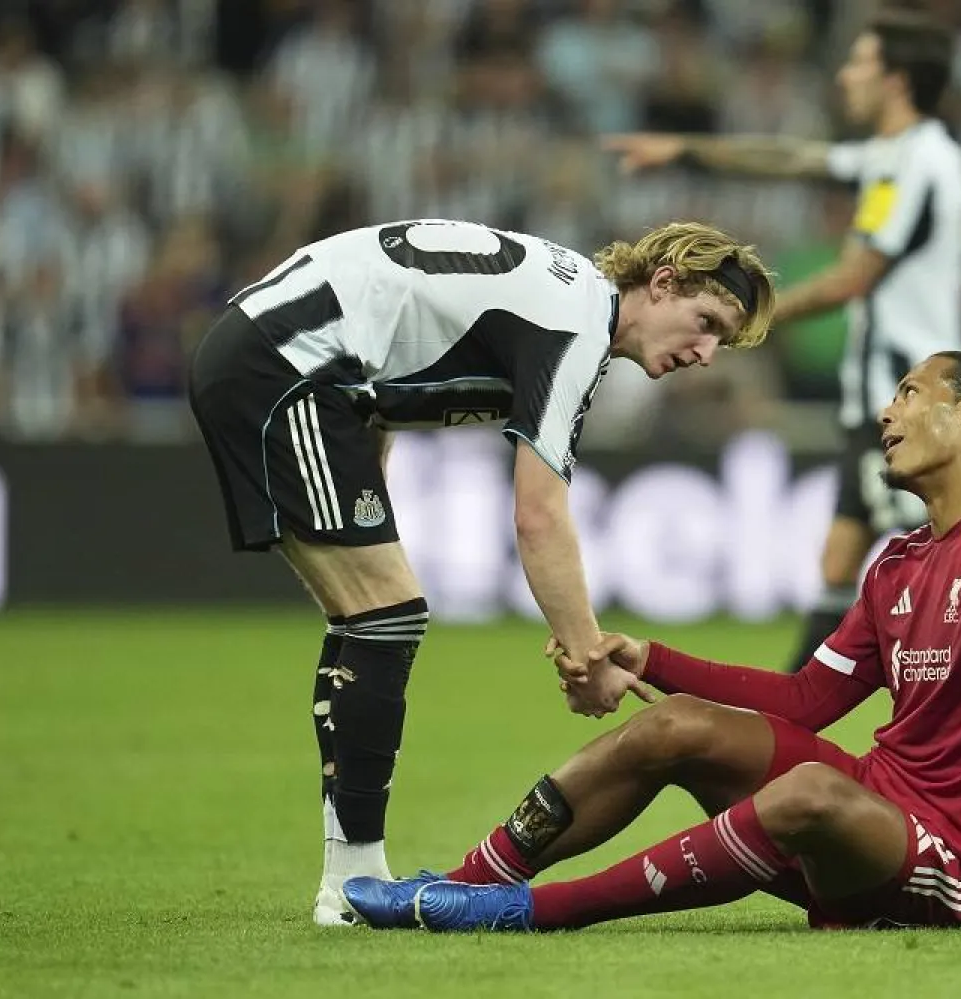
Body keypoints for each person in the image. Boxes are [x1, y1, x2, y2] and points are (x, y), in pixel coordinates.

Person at [339, 350, 961, 934]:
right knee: (677, 724)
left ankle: (527, 912)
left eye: (909, 393)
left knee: (810, 788)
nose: (887, 413)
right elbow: (808, 699)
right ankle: (464, 880)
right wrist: (651, 659)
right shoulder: (901, 560)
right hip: (871, 814)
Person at [186, 218, 774, 926]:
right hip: (285, 368)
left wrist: (366, 492)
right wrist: (586, 655)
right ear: (663, 282)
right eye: (705, 322)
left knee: (371, 618)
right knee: (385, 615)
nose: (707, 352)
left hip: (296, 366)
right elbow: (538, 515)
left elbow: (390, 360)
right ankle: (350, 882)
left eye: (722, 341)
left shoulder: (569, 299)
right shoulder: (576, 324)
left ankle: (350, 874)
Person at [604, 8, 961, 673]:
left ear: (895, 79)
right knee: (841, 561)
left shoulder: (916, 164)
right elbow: (792, 158)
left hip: (913, 396)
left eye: (860, 61)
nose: (845, 74)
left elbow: (852, 277)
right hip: (884, 396)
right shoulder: (894, 157)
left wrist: (745, 322)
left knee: (942, 555)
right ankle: (791, 724)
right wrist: (687, 150)